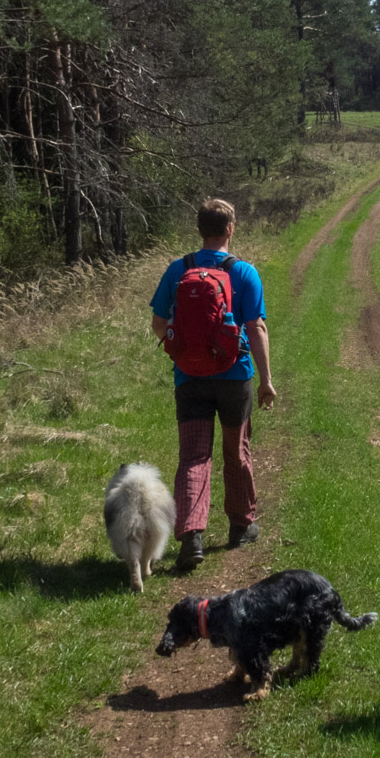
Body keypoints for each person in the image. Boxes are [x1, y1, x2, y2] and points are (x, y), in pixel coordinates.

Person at [151, 198, 276, 571]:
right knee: (236, 451)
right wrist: (267, 379)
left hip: (189, 379)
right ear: (230, 229)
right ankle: (241, 526)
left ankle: (192, 535)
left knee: (193, 456)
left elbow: (160, 323)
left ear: (200, 229)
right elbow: (256, 327)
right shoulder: (244, 273)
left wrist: (182, 354)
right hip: (234, 376)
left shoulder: (178, 270)